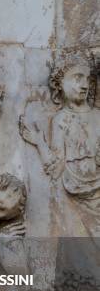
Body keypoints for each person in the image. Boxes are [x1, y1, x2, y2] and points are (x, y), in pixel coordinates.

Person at [20, 54, 99, 237]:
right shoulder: (60, 120)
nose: (85, 85)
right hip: (74, 195)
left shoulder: (98, 117)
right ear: (60, 84)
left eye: (87, 79)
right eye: (77, 78)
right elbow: (56, 167)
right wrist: (39, 142)